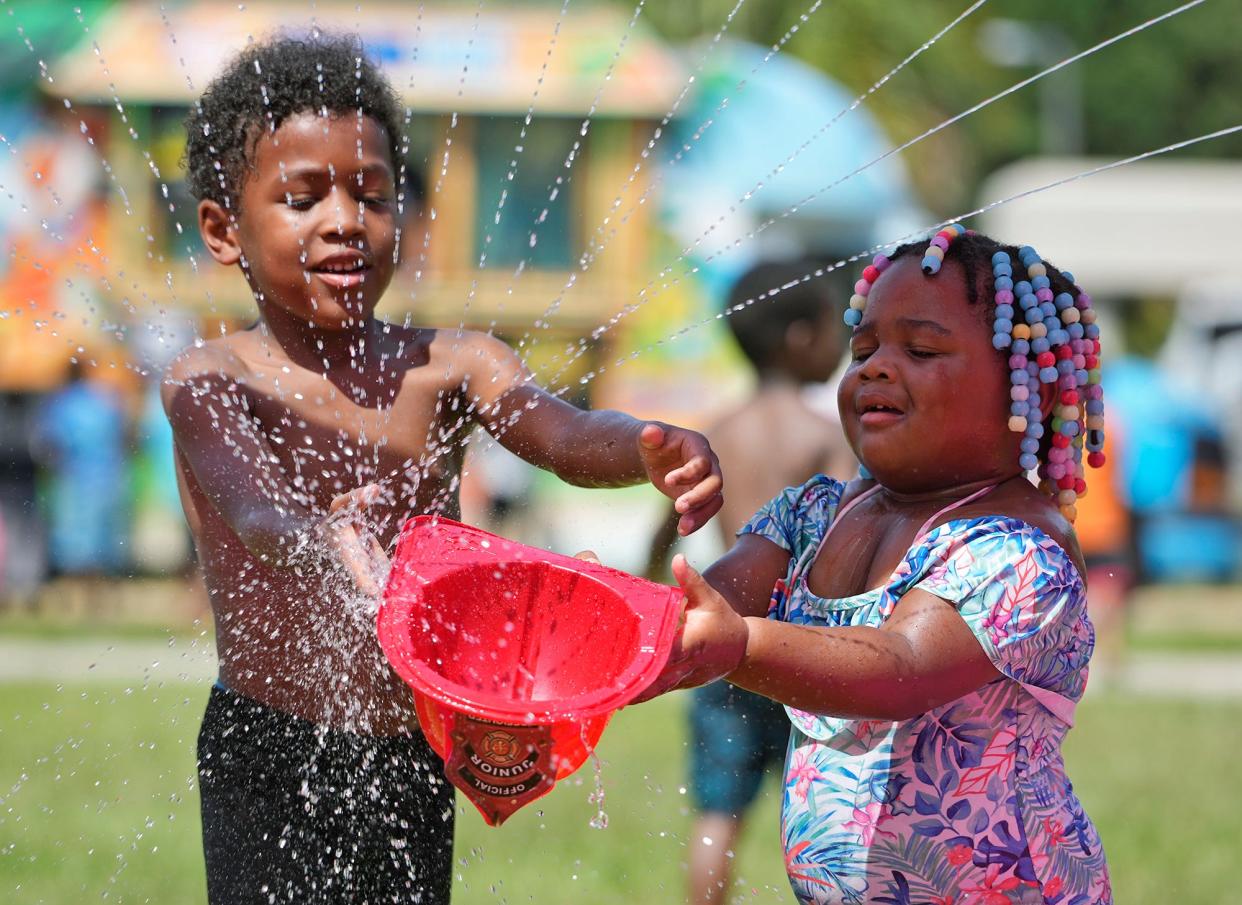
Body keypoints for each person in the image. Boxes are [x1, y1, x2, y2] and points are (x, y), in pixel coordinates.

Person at [165, 34, 723, 905]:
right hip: (265, 739)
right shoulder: (210, 380)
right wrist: (317, 536)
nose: (346, 219)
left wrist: (642, 445)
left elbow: (563, 433)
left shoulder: (451, 365)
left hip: (410, 740)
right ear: (222, 229)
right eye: (303, 198)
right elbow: (252, 511)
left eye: (373, 195)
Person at [635, 228, 1112, 903]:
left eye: (919, 349)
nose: (875, 368)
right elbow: (708, 604)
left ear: (1023, 391)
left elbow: (901, 668)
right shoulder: (815, 516)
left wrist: (741, 643)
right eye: (863, 350)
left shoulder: (1015, 550)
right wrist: (618, 616)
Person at [645, 260, 854, 905]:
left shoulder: (715, 433)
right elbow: (852, 526)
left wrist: (649, 591)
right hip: (801, 649)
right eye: (833, 328)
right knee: (835, 809)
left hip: (723, 640)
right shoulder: (826, 435)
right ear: (798, 336)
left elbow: (664, 526)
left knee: (717, 813)